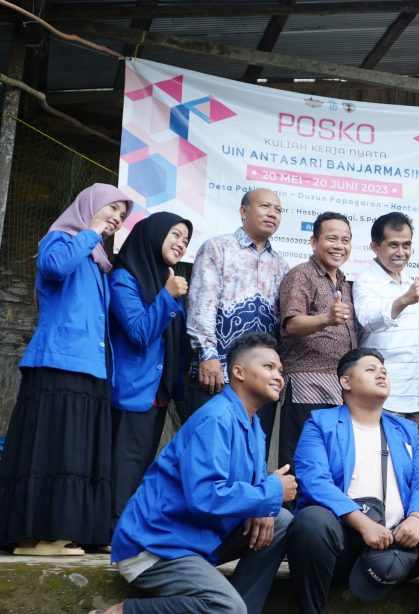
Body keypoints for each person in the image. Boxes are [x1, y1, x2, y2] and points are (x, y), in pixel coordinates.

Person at [104, 333, 297, 614]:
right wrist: (272, 491)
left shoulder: (254, 426)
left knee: (279, 520)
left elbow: (249, 491)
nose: (278, 376)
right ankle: (125, 611)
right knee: (227, 607)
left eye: (280, 370)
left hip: (194, 540)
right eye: (268, 367)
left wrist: (266, 504)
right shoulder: (217, 418)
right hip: (154, 546)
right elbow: (205, 496)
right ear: (238, 372)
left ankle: (240, 609)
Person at [287, 347, 419, 614]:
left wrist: (416, 519)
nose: (381, 374)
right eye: (370, 369)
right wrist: (362, 524)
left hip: (399, 543)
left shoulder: (404, 430)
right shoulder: (320, 424)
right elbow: (315, 480)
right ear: (346, 381)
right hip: (343, 544)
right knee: (311, 521)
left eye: (384, 371)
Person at [0, 183, 131, 555]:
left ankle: (70, 532)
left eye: (122, 215)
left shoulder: (97, 261)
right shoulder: (60, 240)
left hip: (89, 368)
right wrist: (89, 230)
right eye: (112, 208)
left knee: (77, 454)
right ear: (90, 206)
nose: (117, 218)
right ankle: (34, 536)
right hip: (58, 362)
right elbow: (54, 268)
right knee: (51, 449)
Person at [186, 188, 290, 456]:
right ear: (243, 211)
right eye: (265, 206)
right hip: (218, 372)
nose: (272, 214)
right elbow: (202, 303)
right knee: (211, 453)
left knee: (254, 453)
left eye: (278, 210)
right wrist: (207, 355)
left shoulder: (281, 264)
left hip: (261, 379)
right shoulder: (217, 248)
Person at [109, 211, 193, 525]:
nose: (181, 244)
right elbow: (140, 332)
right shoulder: (124, 278)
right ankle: (112, 528)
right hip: (131, 388)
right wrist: (168, 295)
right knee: (124, 462)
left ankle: (124, 526)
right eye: (175, 235)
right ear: (153, 235)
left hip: (157, 390)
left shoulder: (163, 279)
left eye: (185, 240)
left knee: (140, 460)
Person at [277, 212, 357, 475]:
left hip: (339, 386)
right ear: (314, 242)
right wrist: (326, 318)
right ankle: (291, 516)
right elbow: (291, 323)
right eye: (331, 238)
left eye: (345, 240)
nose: (339, 246)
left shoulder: (344, 281)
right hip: (306, 383)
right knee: (300, 460)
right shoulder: (301, 275)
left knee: (327, 462)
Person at [352, 212, 419, 439]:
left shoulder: (409, 280)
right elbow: (367, 319)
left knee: (412, 470)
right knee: (382, 469)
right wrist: (404, 299)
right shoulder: (366, 280)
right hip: (385, 398)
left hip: (417, 398)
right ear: (375, 246)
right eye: (393, 245)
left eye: (407, 245)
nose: (401, 252)